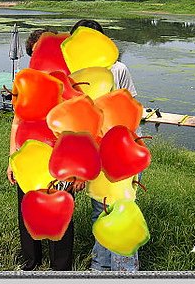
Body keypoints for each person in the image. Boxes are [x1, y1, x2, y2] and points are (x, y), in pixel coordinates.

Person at [69, 19, 141, 272]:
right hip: (93, 153)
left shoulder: (117, 69)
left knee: (120, 211)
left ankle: (124, 271)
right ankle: (100, 268)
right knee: (100, 211)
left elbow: (131, 110)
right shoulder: (74, 75)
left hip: (121, 150)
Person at [6, 28, 78, 271]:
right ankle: (31, 259)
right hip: (28, 159)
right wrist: (12, 160)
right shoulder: (25, 83)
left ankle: (60, 266)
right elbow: (17, 122)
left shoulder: (70, 85)